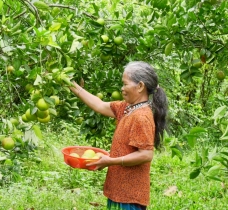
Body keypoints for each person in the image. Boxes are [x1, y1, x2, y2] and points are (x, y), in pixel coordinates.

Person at [69, 61, 168, 210]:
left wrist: (112, 161)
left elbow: (146, 154)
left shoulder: (141, 116)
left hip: (129, 195)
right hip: (119, 191)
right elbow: (99, 105)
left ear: (140, 86)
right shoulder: (127, 108)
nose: (122, 88)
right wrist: (70, 84)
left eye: (125, 84)